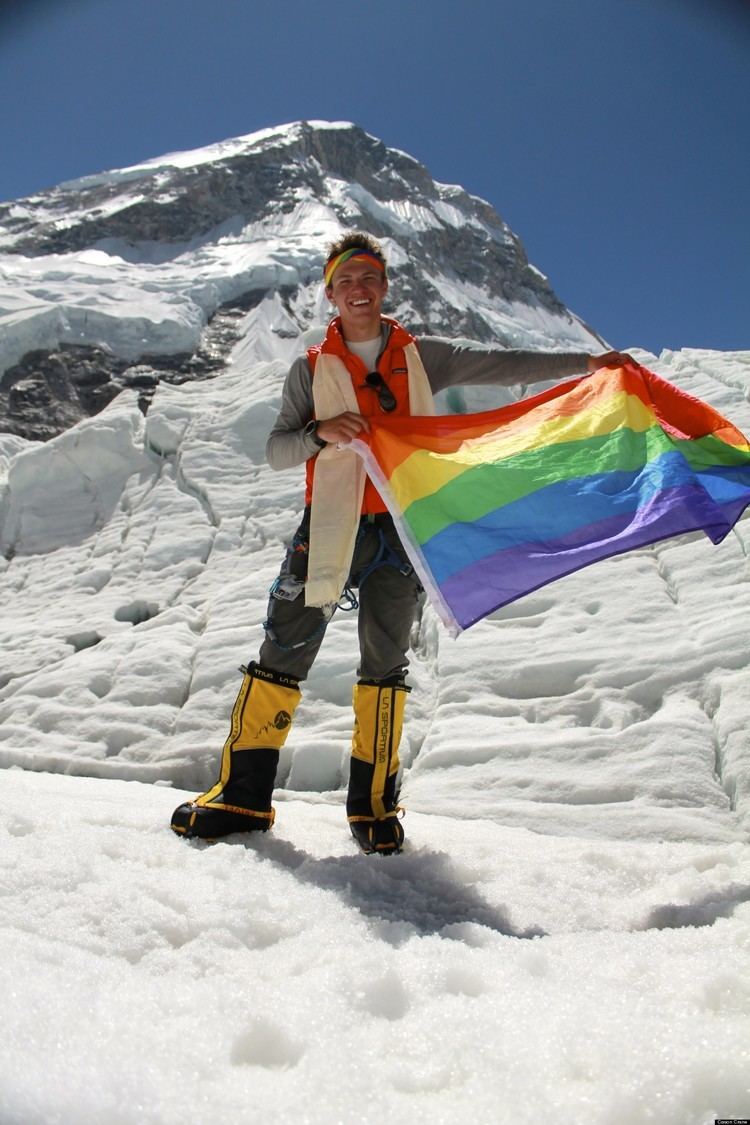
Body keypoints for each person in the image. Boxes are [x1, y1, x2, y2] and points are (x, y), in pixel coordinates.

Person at [171, 232, 632, 854]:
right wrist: (321, 431)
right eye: (345, 281)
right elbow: (279, 450)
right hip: (331, 527)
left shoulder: (425, 357)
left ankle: (374, 810)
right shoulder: (309, 369)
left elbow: (501, 364)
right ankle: (242, 798)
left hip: (403, 529)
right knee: (284, 650)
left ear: (384, 287)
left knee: (385, 664)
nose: (358, 290)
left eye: (369, 278)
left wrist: (585, 367)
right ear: (330, 295)